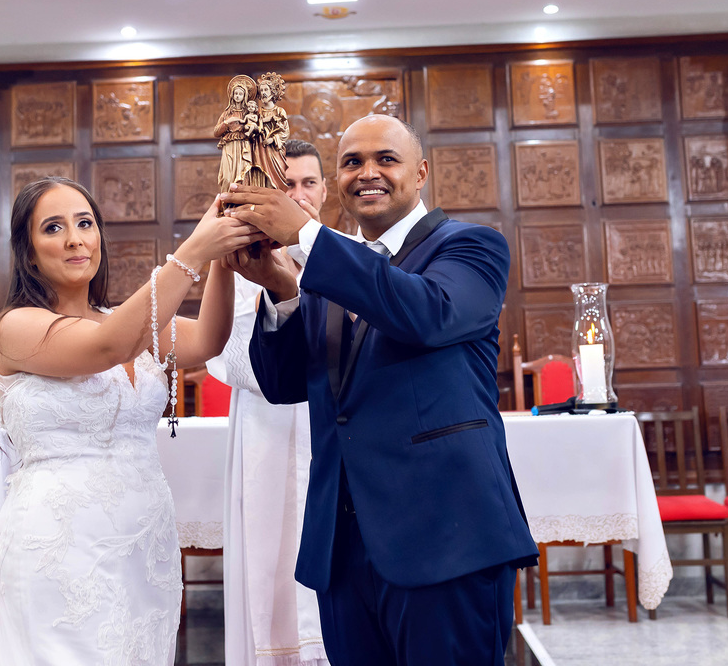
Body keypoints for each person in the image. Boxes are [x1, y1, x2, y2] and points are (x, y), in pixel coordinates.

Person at [225, 115, 539, 666]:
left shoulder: (470, 246)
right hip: (343, 548)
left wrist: (306, 238)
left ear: (420, 173)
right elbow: (282, 382)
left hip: (447, 538)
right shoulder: (330, 268)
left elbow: (427, 315)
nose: (367, 172)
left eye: (385, 159)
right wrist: (281, 289)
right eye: (352, 162)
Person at [0, 176, 262, 666]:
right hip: (58, 544)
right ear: (28, 254)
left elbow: (210, 340)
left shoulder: (126, 320)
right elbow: (108, 348)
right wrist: (194, 249)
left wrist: (222, 255)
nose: (75, 239)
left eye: (85, 223)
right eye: (53, 228)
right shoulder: (15, 327)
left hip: (144, 544)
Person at [210, 139, 332, 666]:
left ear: (324, 191)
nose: (298, 195)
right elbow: (237, 364)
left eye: (308, 183)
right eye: (286, 185)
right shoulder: (245, 266)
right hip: (269, 433)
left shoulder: (349, 257)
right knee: (273, 566)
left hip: (333, 432)